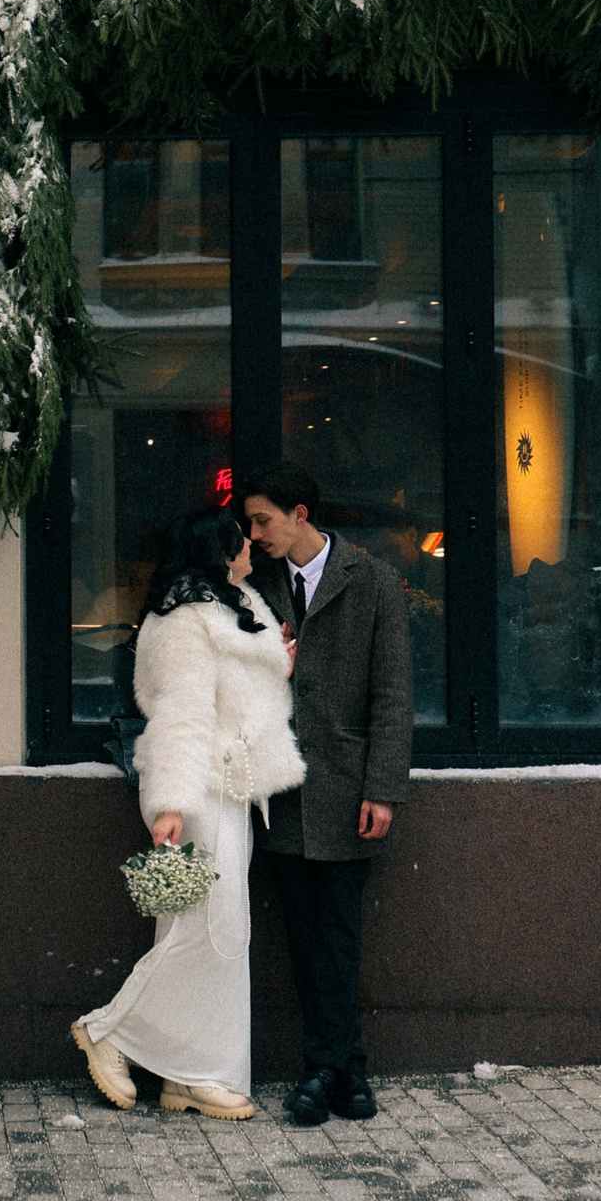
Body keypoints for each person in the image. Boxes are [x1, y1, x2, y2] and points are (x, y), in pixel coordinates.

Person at [72, 507, 305, 1122]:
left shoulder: (229, 607)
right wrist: (170, 804)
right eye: (240, 540)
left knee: (217, 933)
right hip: (201, 791)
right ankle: (109, 1032)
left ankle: (194, 1076)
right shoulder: (181, 623)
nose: (251, 546)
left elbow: (247, 687)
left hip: (233, 788)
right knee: (212, 931)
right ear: (215, 552)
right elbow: (179, 717)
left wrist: (277, 655)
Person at [239, 461, 413, 1128]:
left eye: (263, 520)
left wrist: (384, 790)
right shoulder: (255, 585)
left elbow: (393, 695)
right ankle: (347, 1069)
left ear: (299, 514)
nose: (255, 535)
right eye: (250, 524)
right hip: (282, 790)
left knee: (338, 933)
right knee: (306, 936)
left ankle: (325, 1069)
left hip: (347, 790)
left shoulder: (369, 580)